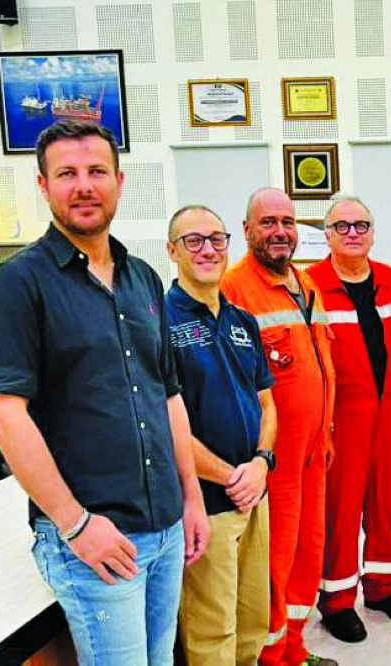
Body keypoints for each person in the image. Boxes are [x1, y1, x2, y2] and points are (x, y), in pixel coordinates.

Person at [0, 120, 209, 666]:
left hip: (166, 528)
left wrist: (191, 498)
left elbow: (168, 396)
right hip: (95, 540)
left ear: (119, 182)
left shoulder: (143, 278)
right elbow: (4, 418)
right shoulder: (17, 285)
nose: (84, 186)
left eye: (97, 171)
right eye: (67, 174)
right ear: (43, 185)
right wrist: (75, 524)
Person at [221, 188, 337, 666]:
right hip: (273, 460)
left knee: (309, 551)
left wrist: (326, 434)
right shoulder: (233, 290)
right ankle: (269, 657)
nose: (280, 232)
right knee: (275, 560)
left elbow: (320, 367)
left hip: (314, 451)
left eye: (287, 222)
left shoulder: (305, 285)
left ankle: (294, 648)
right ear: (247, 229)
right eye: (268, 222)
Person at [165, 205, 277, 665]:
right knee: (213, 632)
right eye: (193, 240)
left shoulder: (241, 321)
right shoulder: (159, 324)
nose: (208, 250)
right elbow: (164, 422)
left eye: (216, 239)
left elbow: (267, 404)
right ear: (172, 251)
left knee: (253, 622)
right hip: (205, 504)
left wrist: (262, 462)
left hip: (254, 496)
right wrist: (231, 476)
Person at [307, 194, 391, 642]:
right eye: (342, 226)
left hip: (388, 410)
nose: (352, 233)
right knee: (341, 509)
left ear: (373, 233)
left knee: (387, 502)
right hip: (341, 416)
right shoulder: (311, 286)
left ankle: (383, 587)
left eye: (361, 225)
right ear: (327, 235)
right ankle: (336, 600)